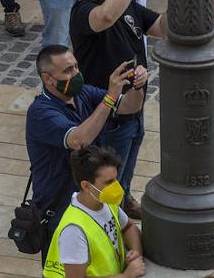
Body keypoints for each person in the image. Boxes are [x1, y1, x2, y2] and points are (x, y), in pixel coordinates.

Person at [69, 0, 167, 217]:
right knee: (106, 178)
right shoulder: (84, 10)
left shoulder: (128, 5)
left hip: (134, 105)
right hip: (107, 114)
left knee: (125, 168)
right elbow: (105, 18)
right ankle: (106, 219)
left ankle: (122, 201)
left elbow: (162, 27)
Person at [25, 46, 146, 247]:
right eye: (67, 71)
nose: (75, 74)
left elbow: (129, 106)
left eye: (76, 67)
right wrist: (110, 96)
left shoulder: (83, 93)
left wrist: (137, 87)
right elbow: (79, 140)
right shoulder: (40, 113)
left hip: (92, 198)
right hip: (60, 208)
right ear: (48, 79)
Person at [42, 144, 146, 278]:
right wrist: (126, 276)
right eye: (108, 182)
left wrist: (136, 253)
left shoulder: (106, 202)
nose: (116, 187)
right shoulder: (73, 230)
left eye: (115, 179)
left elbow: (128, 227)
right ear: (86, 186)